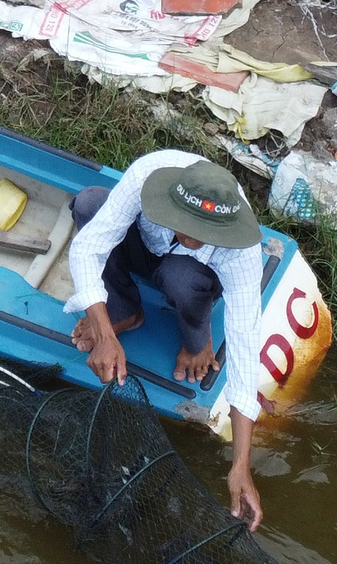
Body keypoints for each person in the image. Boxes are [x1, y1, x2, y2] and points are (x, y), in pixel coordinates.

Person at [64, 150, 268, 533]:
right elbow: (88, 247)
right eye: (183, 225)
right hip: (144, 247)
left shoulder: (241, 252)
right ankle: (124, 310)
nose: (191, 237)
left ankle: (197, 342)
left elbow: (244, 348)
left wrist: (241, 464)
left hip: (193, 277)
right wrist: (105, 331)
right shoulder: (146, 175)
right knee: (90, 202)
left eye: (201, 233)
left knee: (182, 276)